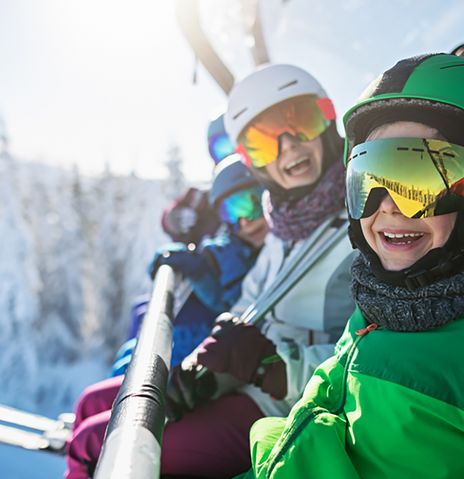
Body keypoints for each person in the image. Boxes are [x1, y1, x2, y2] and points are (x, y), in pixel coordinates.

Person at [238, 53, 464, 479]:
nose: (390, 206)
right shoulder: (375, 307)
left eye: (420, 179)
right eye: (369, 178)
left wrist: (277, 369)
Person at [155, 63, 355, 477]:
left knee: (148, 453)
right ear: (251, 161)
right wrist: (215, 365)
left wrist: (274, 366)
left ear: (327, 118)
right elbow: (249, 303)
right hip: (254, 385)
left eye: (300, 122)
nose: (288, 147)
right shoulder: (282, 222)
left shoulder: (363, 220)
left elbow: (367, 351)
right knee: (107, 415)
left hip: (295, 401)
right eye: (264, 144)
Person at [65, 154, 268, 479]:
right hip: (209, 364)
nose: (246, 220)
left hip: (229, 375)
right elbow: (192, 232)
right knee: (90, 402)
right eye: (233, 211)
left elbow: (242, 300)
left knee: (94, 440)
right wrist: (189, 250)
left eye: (253, 203)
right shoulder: (233, 244)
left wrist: (203, 273)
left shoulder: (274, 247)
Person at [161, 113, 235, 243]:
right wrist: (173, 219)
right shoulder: (201, 198)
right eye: (222, 147)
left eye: (235, 147)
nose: (231, 157)